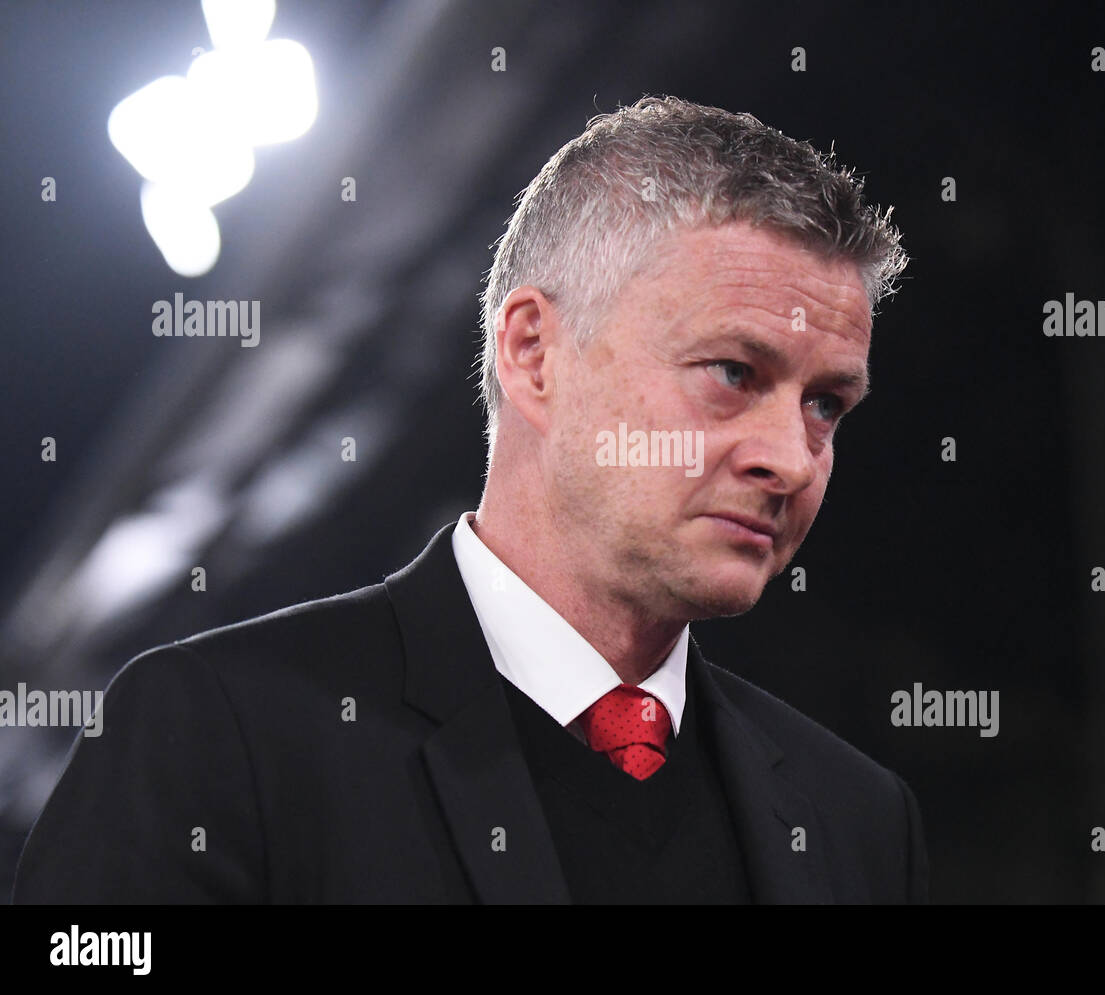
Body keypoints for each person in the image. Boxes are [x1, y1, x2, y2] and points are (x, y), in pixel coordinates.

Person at [14, 95, 927, 904]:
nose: (791, 460)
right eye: (733, 370)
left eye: (825, 404)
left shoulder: (858, 819)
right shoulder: (213, 735)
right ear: (534, 353)